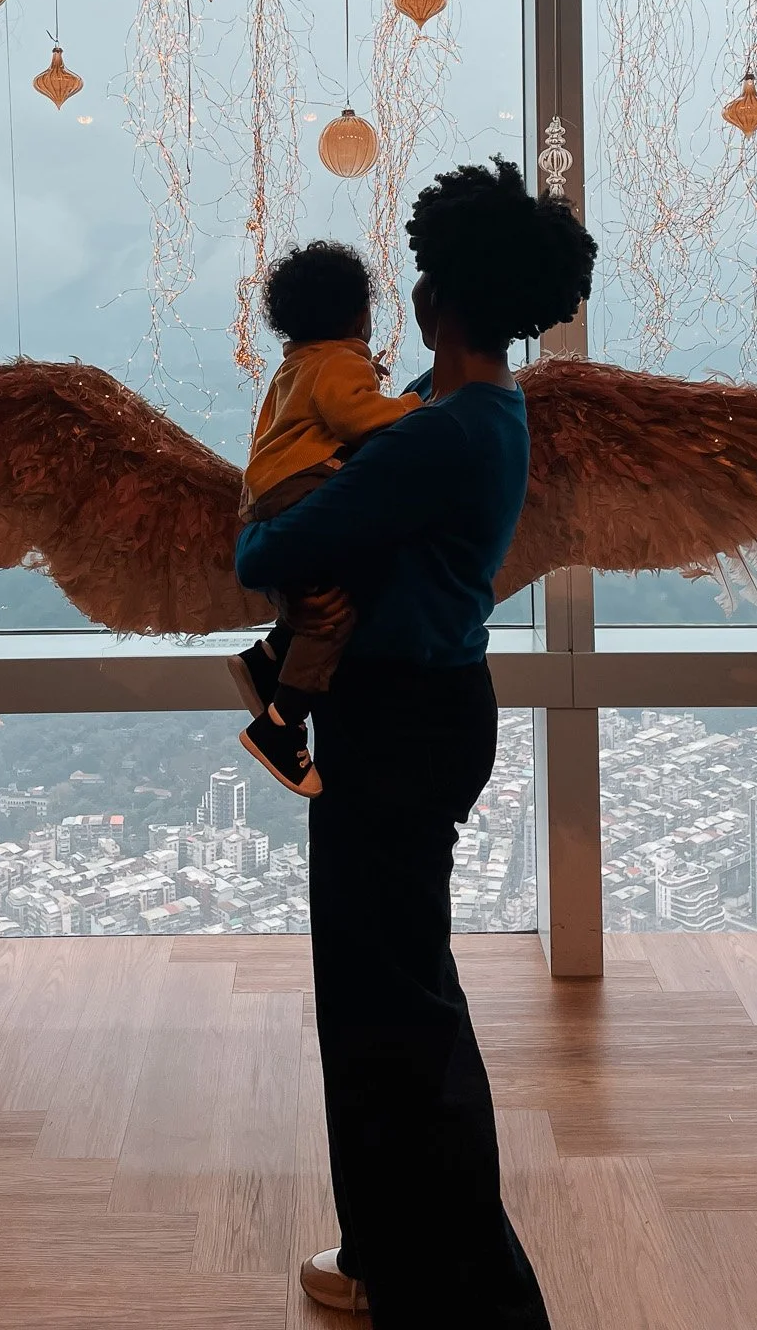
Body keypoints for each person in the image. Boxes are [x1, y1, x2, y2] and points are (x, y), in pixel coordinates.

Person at [236, 158, 597, 1328]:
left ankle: (473, 1292)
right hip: (429, 710)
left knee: (393, 1003)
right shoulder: (484, 414)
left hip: (394, 722)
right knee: (391, 989)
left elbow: (262, 557)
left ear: (438, 303)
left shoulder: (435, 435)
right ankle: (393, 1253)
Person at [229, 240, 424, 796]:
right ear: (360, 314)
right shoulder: (338, 364)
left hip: (269, 491)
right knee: (335, 614)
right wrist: (410, 407)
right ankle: (282, 723)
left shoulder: (298, 365)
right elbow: (359, 418)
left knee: (316, 589)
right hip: (304, 485)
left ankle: (269, 656)